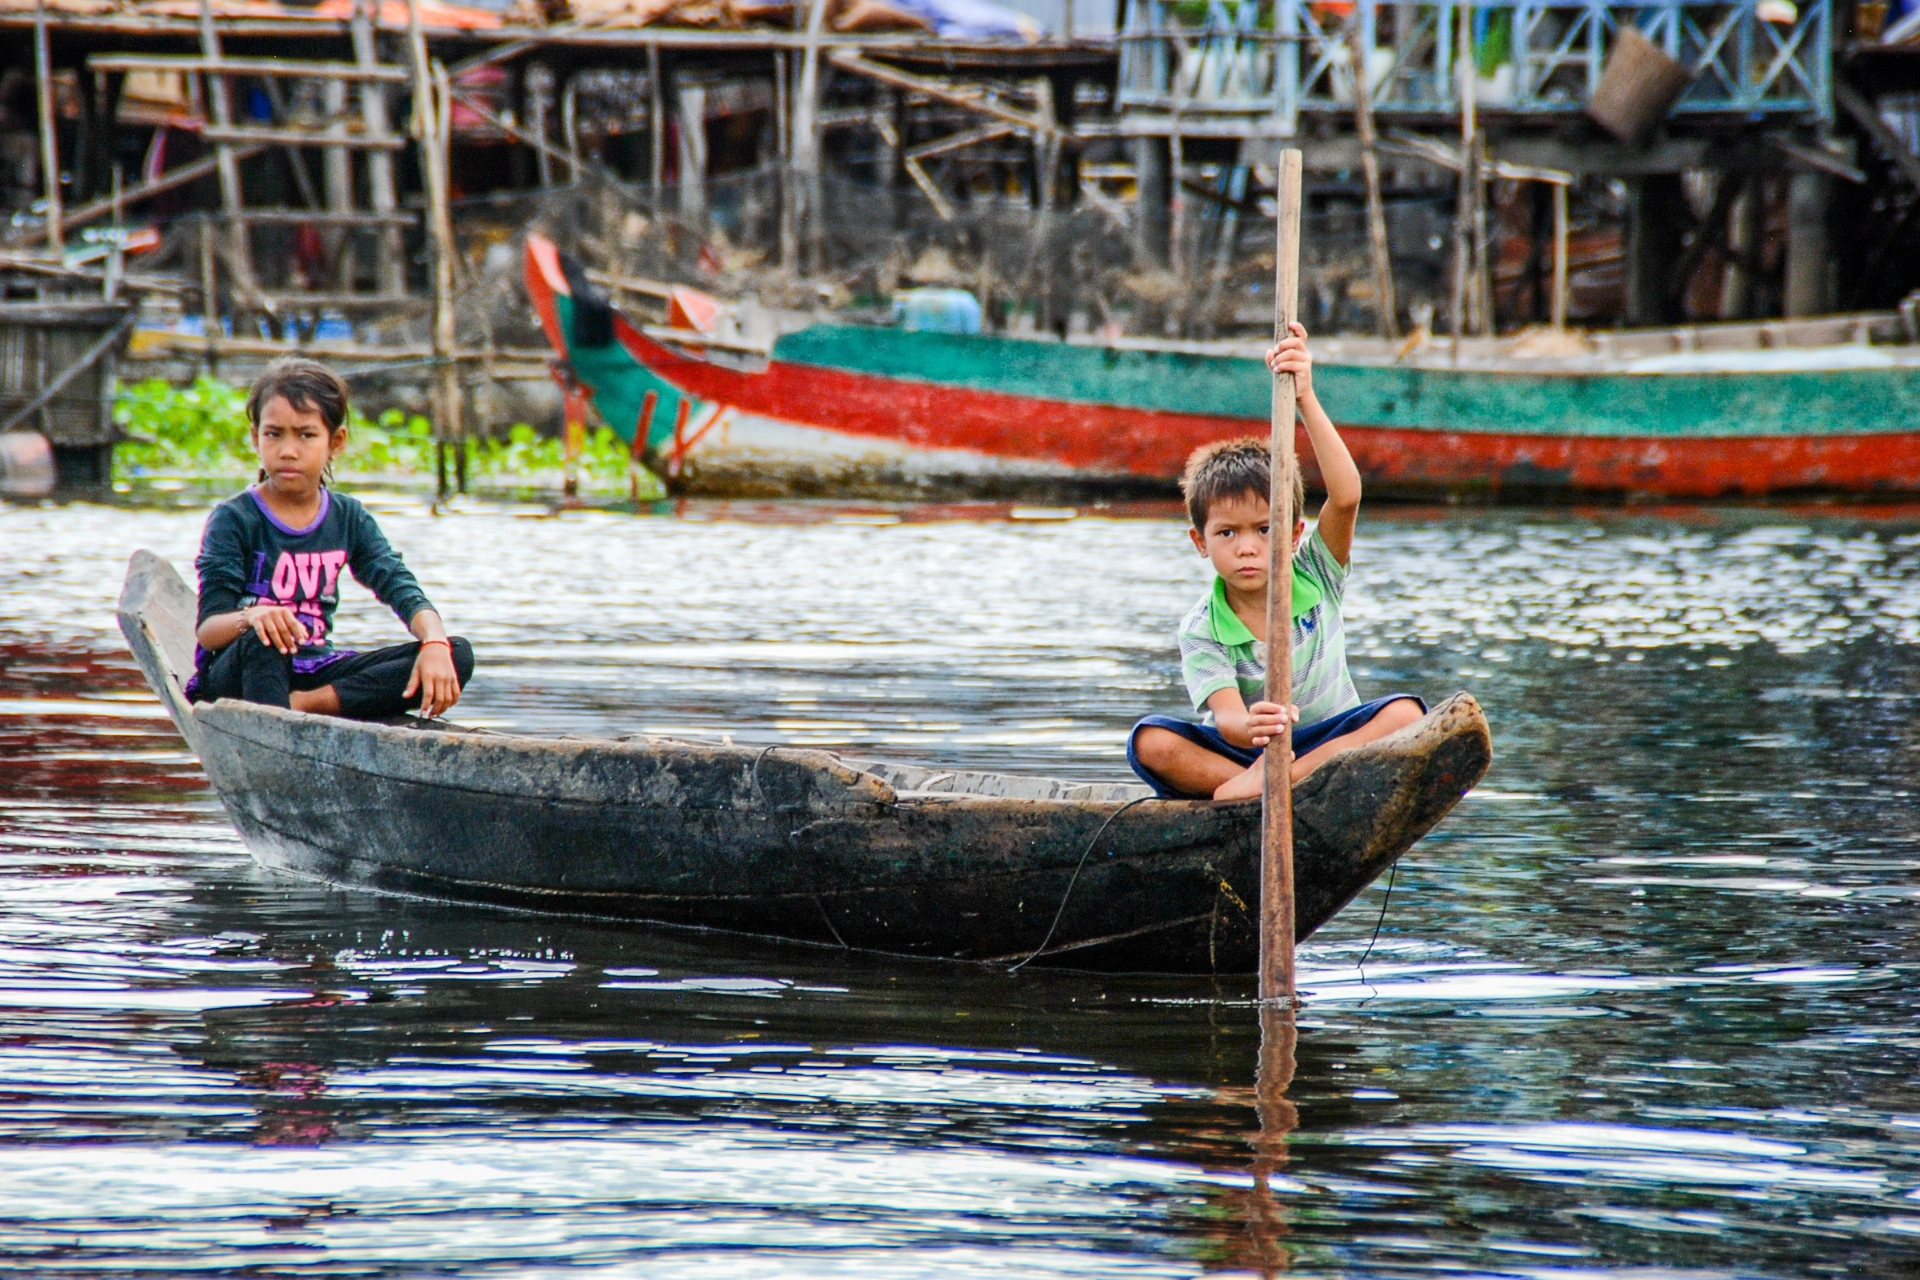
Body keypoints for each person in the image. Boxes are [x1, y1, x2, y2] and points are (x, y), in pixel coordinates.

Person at [1128, 323, 1424, 800]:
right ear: (1200, 542)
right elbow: (1225, 717)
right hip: (1250, 754)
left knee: (1406, 715)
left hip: (1328, 740)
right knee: (1150, 742)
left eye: (1265, 530)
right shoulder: (1202, 627)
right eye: (1227, 533)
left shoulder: (1315, 573)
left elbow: (1346, 497)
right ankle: (1254, 782)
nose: (1247, 547)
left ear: (1293, 534)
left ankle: (1280, 784)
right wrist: (1252, 726)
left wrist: (1305, 396)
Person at [185, 358, 474, 720]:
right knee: (266, 640)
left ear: (335, 442)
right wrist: (253, 617)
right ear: (255, 437)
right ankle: (278, 721)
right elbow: (209, 630)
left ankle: (304, 707)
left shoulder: (347, 517)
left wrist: (433, 642)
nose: (288, 450)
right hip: (241, 672)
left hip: (313, 671)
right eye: (274, 434)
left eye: (306, 435)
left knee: (456, 652)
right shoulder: (234, 518)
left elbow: (397, 583)